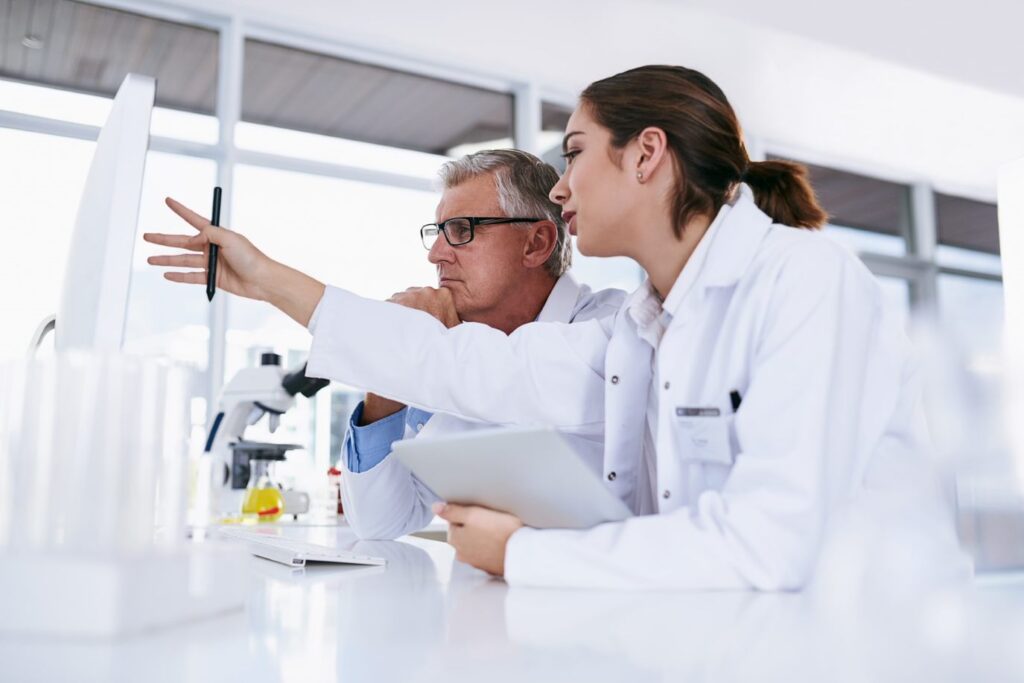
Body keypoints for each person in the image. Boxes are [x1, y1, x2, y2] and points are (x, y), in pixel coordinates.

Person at [145, 65, 965, 591]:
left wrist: (519, 554)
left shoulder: (805, 282)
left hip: (874, 644)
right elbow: (471, 370)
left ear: (646, 155)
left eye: (574, 155)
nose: (563, 190)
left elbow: (764, 543)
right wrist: (269, 279)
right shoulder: (643, 326)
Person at [338, 150, 623, 539]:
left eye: (460, 230)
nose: (435, 254)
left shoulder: (611, 328)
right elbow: (380, 524)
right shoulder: (446, 341)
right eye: (437, 233)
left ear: (536, 243)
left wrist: (428, 353)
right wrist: (388, 370)